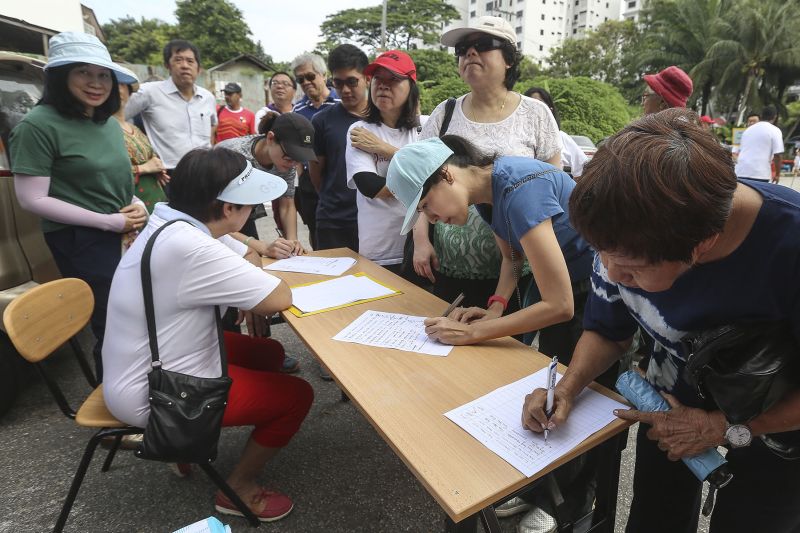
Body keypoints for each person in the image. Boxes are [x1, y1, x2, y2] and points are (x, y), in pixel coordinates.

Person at [522, 108, 800, 533]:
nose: (613, 275)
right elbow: (607, 330)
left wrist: (724, 428)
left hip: (780, 428)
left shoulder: (789, 245)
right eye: (602, 255)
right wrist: (569, 385)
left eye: (630, 270)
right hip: (668, 410)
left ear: (702, 246)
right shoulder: (625, 232)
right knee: (654, 519)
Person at [102, 148, 314, 522]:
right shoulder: (191, 245)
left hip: (148, 360)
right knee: (297, 395)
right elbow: (278, 296)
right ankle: (238, 488)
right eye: (248, 203)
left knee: (268, 353)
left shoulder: (174, 223)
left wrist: (248, 255)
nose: (252, 213)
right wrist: (253, 260)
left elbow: (247, 260)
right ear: (227, 207)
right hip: (155, 391)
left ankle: (186, 448)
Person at [9, 32, 148, 379]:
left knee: (138, 315)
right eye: (83, 73)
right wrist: (107, 222)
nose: (96, 83)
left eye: (103, 74)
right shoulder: (37, 125)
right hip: (82, 238)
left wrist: (136, 203)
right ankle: (119, 415)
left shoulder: (105, 122)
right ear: (60, 75)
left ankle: (146, 395)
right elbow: (32, 198)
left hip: (124, 230)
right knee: (113, 324)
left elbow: (114, 180)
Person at [414, 16, 562, 315]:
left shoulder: (535, 113)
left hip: (517, 267)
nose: (469, 54)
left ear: (508, 59)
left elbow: (551, 188)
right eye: (462, 49)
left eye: (482, 45)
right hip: (451, 264)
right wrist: (420, 241)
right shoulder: (445, 112)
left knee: (505, 349)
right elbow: (421, 185)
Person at [345, 50, 420, 273]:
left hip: (420, 248)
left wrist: (383, 149)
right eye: (378, 78)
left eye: (394, 79)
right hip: (380, 250)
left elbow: (441, 178)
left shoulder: (426, 127)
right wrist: (421, 184)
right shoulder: (360, 130)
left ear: (411, 87)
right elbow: (371, 187)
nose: (383, 85)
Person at [217, 111, 313, 247]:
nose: (293, 165)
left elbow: (287, 204)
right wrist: (262, 247)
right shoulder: (232, 155)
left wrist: (293, 242)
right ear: (270, 138)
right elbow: (213, 220)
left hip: (243, 213)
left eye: (298, 160)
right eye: (289, 157)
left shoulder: (286, 163)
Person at [125, 39, 217, 176]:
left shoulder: (207, 97)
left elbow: (213, 124)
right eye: (178, 60)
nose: (185, 66)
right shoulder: (149, 93)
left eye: (190, 61)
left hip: (204, 171)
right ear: (167, 65)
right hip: (168, 174)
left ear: (199, 68)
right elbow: (116, 117)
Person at [309, 44, 369, 253]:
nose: (345, 90)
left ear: (367, 78)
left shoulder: (383, 119)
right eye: (338, 83)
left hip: (375, 221)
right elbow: (316, 173)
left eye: (352, 82)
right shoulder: (321, 121)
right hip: (333, 222)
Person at [291, 53, 340, 249]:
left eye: (310, 76)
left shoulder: (341, 103)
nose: (306, 82)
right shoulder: (298, 110)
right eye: (300, 79)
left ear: (323, 74)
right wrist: (303, 174)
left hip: (337, 176)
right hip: (309, 179)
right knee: (315, 228)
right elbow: (298, 146)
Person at [113, 79, 168, 214]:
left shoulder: (134, 128)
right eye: (112, 85)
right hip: (129, 207)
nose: (117, 90)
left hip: (155, 200)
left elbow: (150, 157)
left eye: (122, 84)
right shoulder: (99, 129)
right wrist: (143, 168)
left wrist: (157, 167)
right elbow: (104, 174)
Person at [524, 86, 588, 178]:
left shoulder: (562, 138)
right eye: (531, 105)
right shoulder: (515, 138)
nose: (535, 110)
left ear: (550, 110)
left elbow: (583, 168)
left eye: (540, 105)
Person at [734, 105, 784, 184]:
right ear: (775, 117)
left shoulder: (747, 131)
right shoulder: (775, 130)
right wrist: (777, 175)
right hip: (760, 173)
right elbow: (777, 155)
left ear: (761, 116)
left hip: (741, 171)